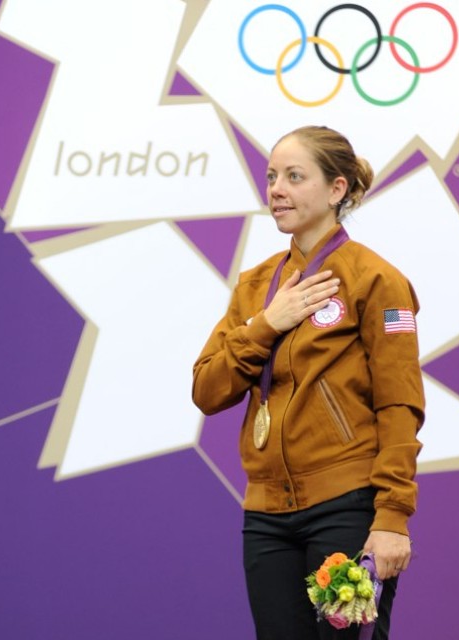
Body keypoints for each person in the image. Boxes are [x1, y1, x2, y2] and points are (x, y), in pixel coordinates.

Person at [192, 125, 425, 639]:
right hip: (267, 518)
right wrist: (266, 324)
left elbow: (400, 404)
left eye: (294, 177)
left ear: (337, 189)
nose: (276, 188)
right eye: (272, 175)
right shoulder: (256, 287)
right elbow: (207, 390)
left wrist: (391, 517)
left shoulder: (375, 279)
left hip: (347, 509)